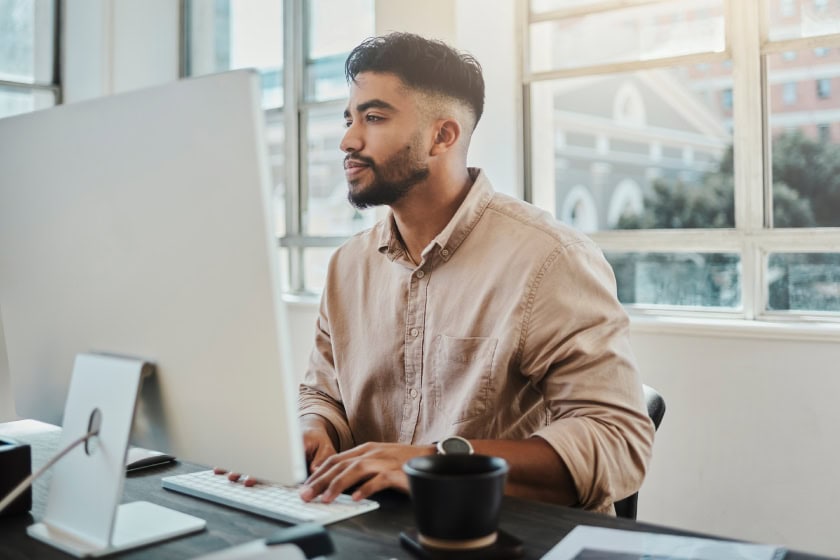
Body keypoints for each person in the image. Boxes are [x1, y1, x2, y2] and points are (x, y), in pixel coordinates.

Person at [297, 32, 654, 514]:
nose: (348, 141)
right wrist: (311, 431)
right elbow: (323, 394)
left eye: (374, 118)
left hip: (506, 535)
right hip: (374, 527)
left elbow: (617, 441)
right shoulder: (347, 266)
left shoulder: (550, 259)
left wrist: (435, 464)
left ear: (443, 136)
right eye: (349, 119)